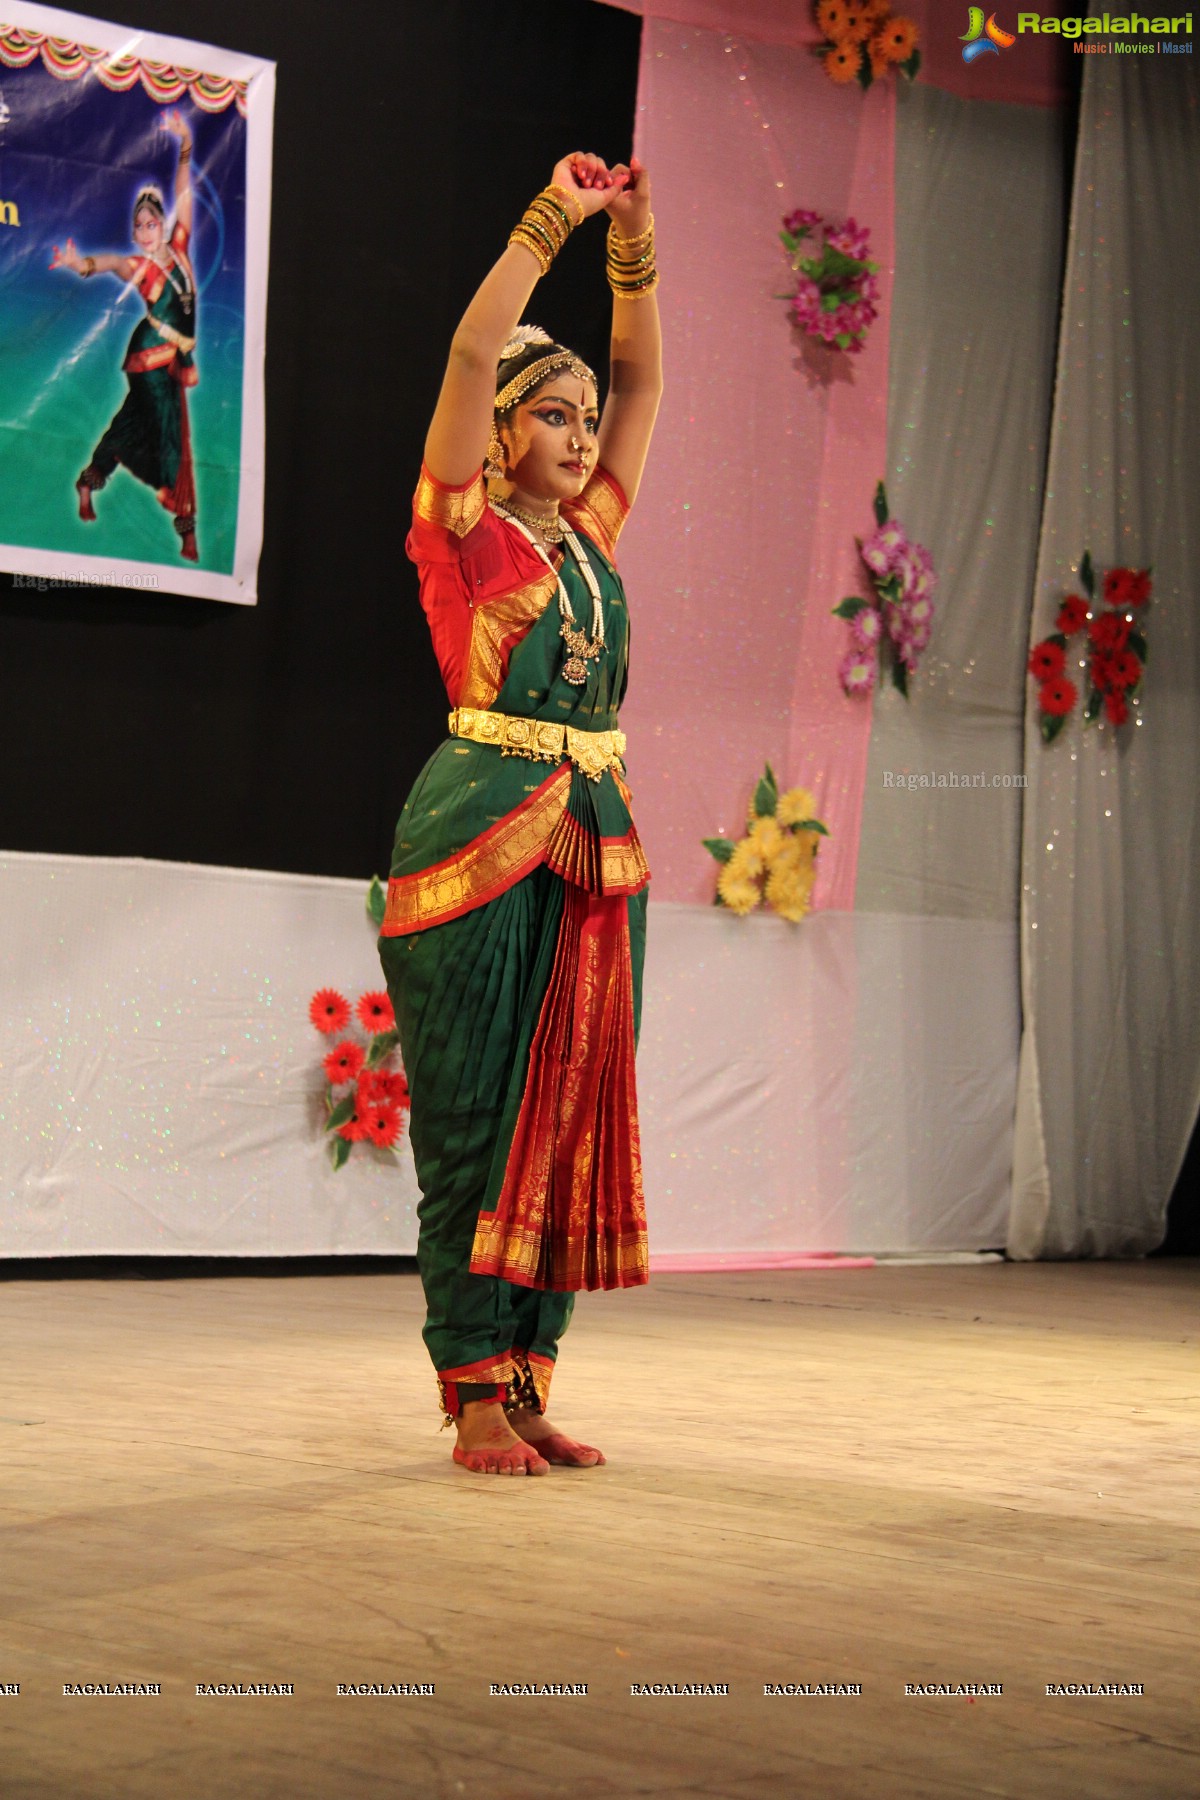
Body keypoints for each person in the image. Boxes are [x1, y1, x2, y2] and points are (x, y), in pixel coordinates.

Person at [377, 150, 663, 1476]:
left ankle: (533, 1380)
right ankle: (473, 1394)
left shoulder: (592, 539)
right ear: (501, 433)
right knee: (477, 1121)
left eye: (586, 420)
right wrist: (553, 215)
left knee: (564, 1113)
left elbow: (649, 380)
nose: (584, 435)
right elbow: (469, 342)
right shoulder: (465, 535)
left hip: (593, 846)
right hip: (480, 841)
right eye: (555, 417)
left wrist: (637, 247)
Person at [50, 108, 200, 562]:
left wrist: (185, 146)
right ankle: (186, 529)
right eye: (139, 226)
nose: (144, 230)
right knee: (173, 436)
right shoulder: (138, 266)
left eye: (151, 222)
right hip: (153, 357)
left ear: (163, 225)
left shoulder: (179, 249)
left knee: (130, 425)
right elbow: (111, 263)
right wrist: (82, 265)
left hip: (163, 361)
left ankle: (88, 480)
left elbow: (185, 194)